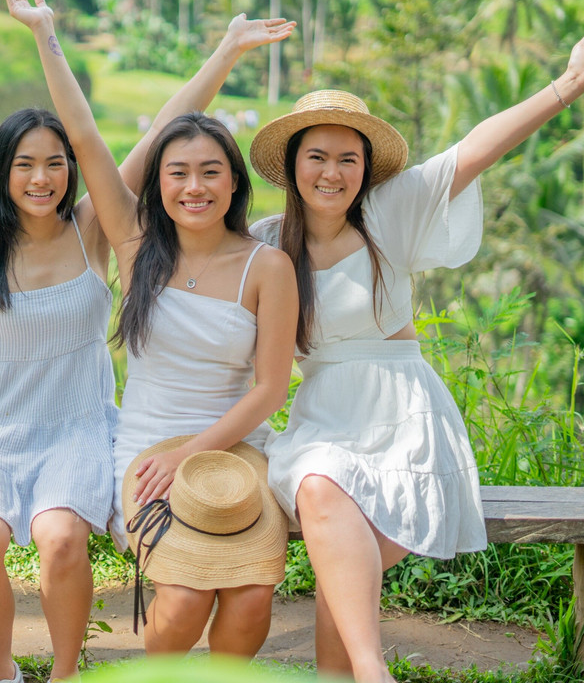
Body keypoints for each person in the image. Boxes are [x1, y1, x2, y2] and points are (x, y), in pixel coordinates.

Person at [246, 39, 584, 683]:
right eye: (316, 156)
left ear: (366, 168)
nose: (332, 172)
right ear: (290, 166)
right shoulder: (265, 244)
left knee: (340, 551)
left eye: (348, 158)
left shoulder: (387, 210)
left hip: (403, 412)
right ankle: (368, 674)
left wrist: (567, 85)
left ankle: (352, 675)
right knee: (322, 494)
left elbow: (476, 149)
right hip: (323, 418)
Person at [4, 0, 299, 658]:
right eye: (177, 173)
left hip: (235, 454)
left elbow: (270, 389)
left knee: (253, 596)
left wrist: (199, 451)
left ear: (233, 182)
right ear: (160, 183)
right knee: (188, 594)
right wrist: (46, 36)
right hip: (146, 453)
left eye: (209, 172)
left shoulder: (268, 267)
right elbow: (83, 138)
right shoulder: (137, 248)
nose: (193, 187)